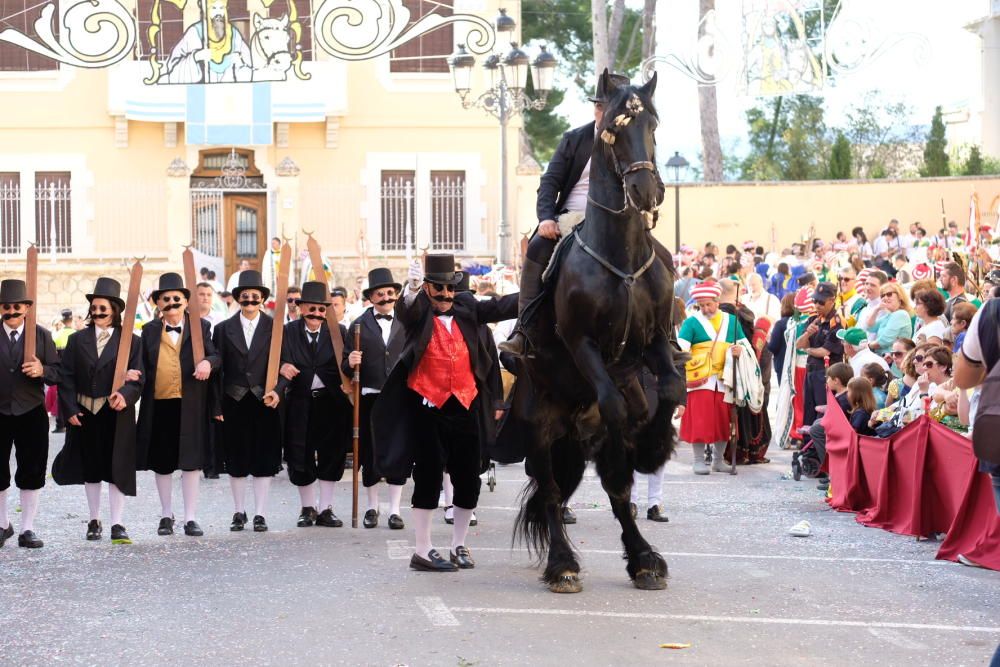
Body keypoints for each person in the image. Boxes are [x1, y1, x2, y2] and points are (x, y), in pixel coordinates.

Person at [501, 72, 669, 358]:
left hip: (622, 223)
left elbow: (654, 181)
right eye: (600, 106)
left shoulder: (636, 138)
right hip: (572, 219)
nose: (603, 112)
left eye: (612, 108)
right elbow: (550, 182)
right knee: (538, 249)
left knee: (663, 259)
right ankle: (524, 329)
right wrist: (546, 218)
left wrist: (652, 197)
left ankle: (667, 337)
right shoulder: (575, 139)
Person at [372, 254, 518, 572]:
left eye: (450, 289)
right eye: (438, 289)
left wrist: (542, 285)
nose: (446, 296)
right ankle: (423, 550)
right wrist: (410, 290)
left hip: (466, 406)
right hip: (427, 407)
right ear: (427, 288)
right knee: (427, 478)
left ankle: (459, 545)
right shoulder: (419, 311)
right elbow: (406, 309)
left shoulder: (468, 308)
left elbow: (503, 307)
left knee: (468, 480)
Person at [55, 277, 143, 544]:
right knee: (91, 467)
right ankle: (94, 520)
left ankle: (118, 522)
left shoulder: (132, 342)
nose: (98, 311)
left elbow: (139, 378)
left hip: (115, 410)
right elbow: (65, 376)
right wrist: (68, 409)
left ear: (115, 310)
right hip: (85, 411)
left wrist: (126, 395)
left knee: (115, 467)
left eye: (103, 306)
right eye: (94, 306)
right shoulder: (76, 339)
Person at [135, 273, 219, 538]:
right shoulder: (148, 331)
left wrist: (208, 363)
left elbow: (215, 354)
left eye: (176, 299)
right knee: (162, 461)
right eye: (165, 299)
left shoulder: (200, 328)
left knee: (191, 462)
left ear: (185, 302)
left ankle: (190, 517)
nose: (171, 303)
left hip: (190, 403)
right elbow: (140, 363)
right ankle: (165, 514)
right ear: (158, 303)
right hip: (159, 403)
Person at [277, 281, 352, 529]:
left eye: (321, 310)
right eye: (311, 308)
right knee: (300, 453)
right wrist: (281, 366)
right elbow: (276, 359)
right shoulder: (287, 331)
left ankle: (326, 509)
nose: (316, 314)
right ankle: (307, 508)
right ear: (301, 308)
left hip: (331, 401)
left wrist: (351, 362)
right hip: (299, 400)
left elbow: (347, 365)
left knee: (332, 453)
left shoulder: (339, 331)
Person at [212, 270, 282, 533]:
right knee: (237, 458)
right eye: (245, 297)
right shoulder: (222, 329)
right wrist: (216, 405)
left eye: (255, 297)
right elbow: (217, 369)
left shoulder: (275, 328)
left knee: (264, 458)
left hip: (265, 400)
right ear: (238, 299)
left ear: (262, 299)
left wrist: (279, 390)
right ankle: (239, 511)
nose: (250, 301)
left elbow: (285, 363)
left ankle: (260, 513)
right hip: (234, 400)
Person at [344, 267, 407, 529]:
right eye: (380, 294)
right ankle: (371, 507)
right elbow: (346, 364)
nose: (385, 298)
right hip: (370, 396)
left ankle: (394, 509)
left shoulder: (406, 322)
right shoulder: (358, 325)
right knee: (369, 453)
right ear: (371, 297)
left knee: (398, 452)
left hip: (400, 397)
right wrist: (350, 360)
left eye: (390, 293)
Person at [0, 280, 60, 549]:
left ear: (26, 307)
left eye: (17, 306)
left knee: (32, 469)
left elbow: (59, 372)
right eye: (6, 306)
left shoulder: (42, 335)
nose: (11, 311)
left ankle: (27, 528)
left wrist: (43, 371)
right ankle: (2, 524)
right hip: (0, 410)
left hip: (31, 409)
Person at [676, 280, 747, 474]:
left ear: (717, 301)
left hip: (725, 378)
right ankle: (698, 460)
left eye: (709, 304)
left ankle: (718, 460)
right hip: (700, 378)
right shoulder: (691, 322)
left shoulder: (731, 321)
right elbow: (680, 349)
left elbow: (745, 345)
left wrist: (739, 349)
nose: (706, 308)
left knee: (724, 421)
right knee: (700, 420)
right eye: (701, 305)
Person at [795, 282, 844, 428]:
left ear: (831, 300)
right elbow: (799, 345)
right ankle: (807, 445)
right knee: (808, 410)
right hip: (811, 371)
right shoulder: (813, 319)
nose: (817, 305)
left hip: (826, 373)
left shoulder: (836, 323)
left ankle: (819, 447)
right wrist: (807, 334)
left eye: (821, 302)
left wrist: (808, 350)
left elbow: (824, 352)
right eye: (815, 300)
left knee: (822, 411)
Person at [862, 282, 913, 353]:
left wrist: (866, 346)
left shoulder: (901, 314)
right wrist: (877, 309)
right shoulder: (889, 316)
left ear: (899, 296)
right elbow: (869, 327)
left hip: (894, 359)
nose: (885, 298)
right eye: (882, 296)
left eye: (889, 294)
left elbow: (885, 340)